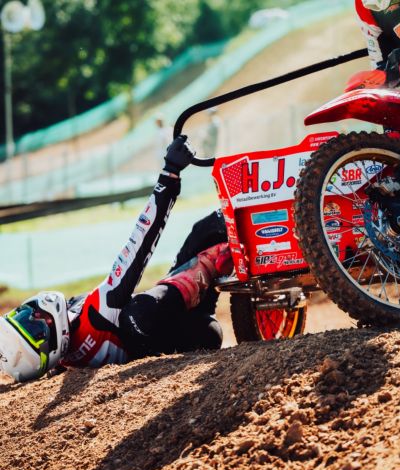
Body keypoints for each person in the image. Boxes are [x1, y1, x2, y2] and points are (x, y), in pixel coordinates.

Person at [0, 136, 231, 383]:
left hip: (175, 314)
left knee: (211, 226)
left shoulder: (67, 353)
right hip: (193, 330)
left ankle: (215, 267)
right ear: (51, 348)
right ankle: (208, 268)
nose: (33, 315)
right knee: (137, 313)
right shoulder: (98, 310)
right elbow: (139, 243)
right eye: (34, 328)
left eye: (21, 316)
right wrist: (170, 174)